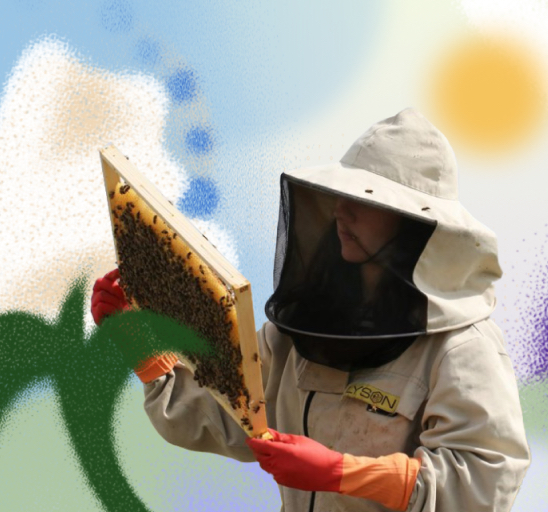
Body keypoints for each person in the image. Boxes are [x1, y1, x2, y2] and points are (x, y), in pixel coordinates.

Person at [92, 108, 530, 512]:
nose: (342, 210)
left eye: (366, 200)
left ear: (414, 224)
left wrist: (342, 473)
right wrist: (142, 346)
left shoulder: (462, 347)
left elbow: (485, 485)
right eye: (342, 195)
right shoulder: (305, 326)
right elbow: (222, 419)